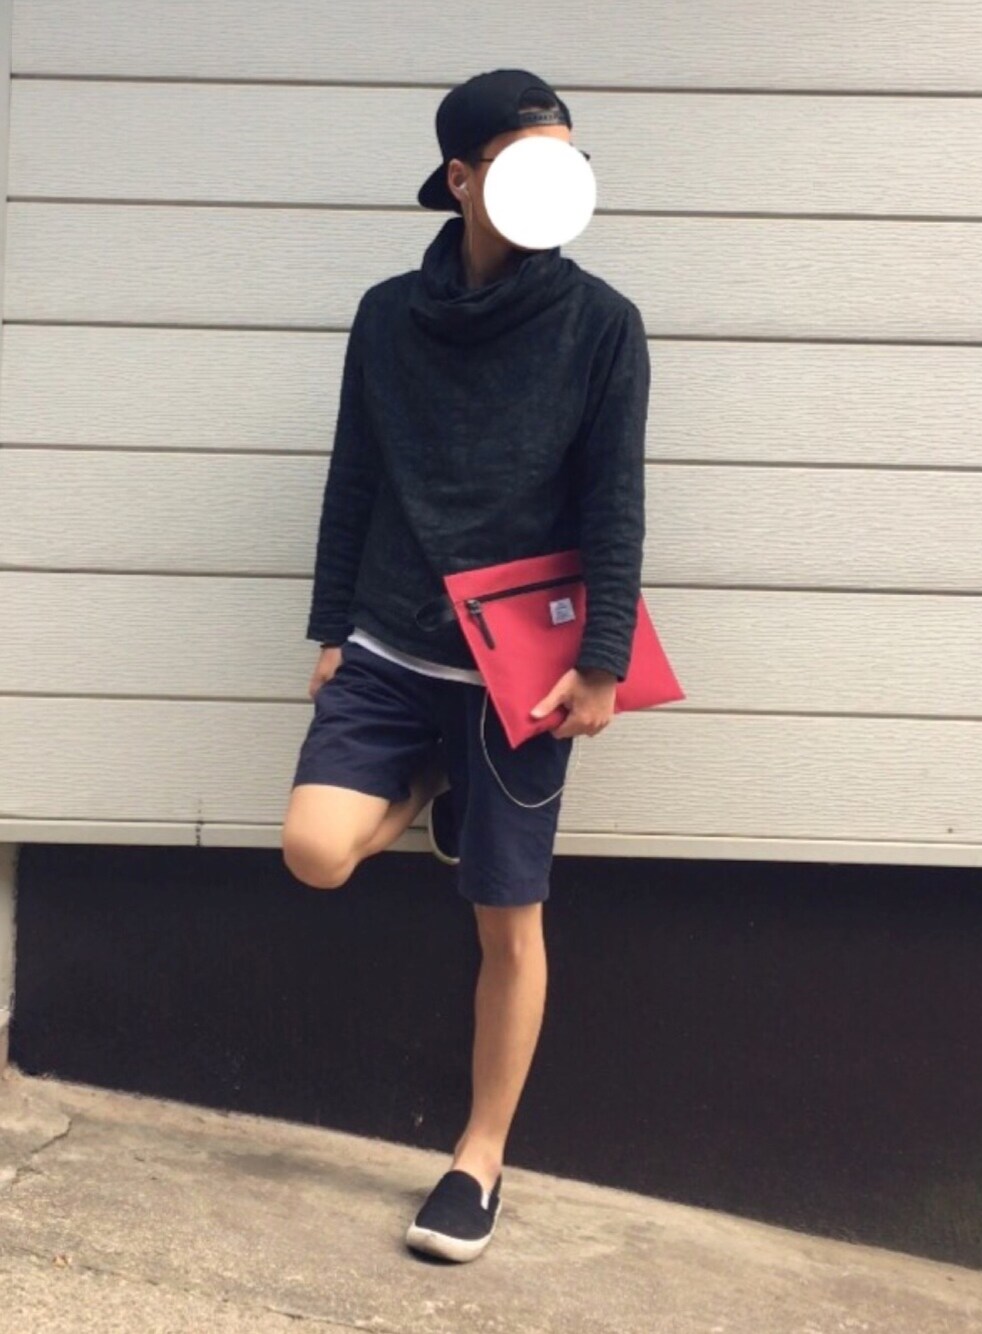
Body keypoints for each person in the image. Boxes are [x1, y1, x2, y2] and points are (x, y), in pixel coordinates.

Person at [282, 68, 651, 1263]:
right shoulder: (389, 315)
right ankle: (433, 778)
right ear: (460, 178)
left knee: (508, 917)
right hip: (391, 641)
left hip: (521, 668)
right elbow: (353, 474)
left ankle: (477, 1158)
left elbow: (614, 501)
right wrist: (331, 628)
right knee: (315, 850)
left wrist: (601, 662)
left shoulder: (602, 326)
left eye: (572, 159)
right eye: (534, 158)